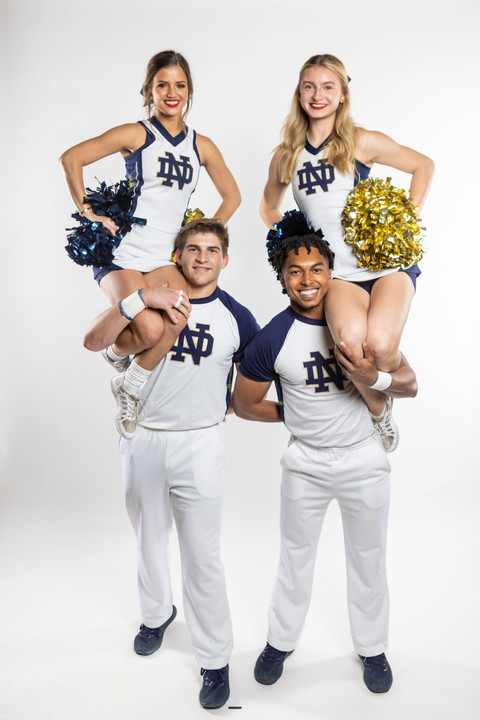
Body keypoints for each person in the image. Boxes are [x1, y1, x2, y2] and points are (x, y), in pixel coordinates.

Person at [84, 218, 258, 709]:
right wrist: (136, 300)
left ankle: (215, 659)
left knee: (203, 555)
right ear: (177, 256)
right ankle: (157, 614)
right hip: (143, 438)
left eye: (213, 249)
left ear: (226, 259)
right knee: (148, 537)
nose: (203, 257)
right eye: (193, 249)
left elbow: (256, 372)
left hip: (200, 444)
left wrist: (233, 398)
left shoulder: (237, 316)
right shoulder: (151, 304)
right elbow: (95, 340)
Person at [233, 232, 417, 693]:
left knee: (368, 558)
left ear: (332, 273)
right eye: (295, 271)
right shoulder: (272, 336)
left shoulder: (355, 324)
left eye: (317, 269)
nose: (307, 279)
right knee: (294, 558)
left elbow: (410, 382)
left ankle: (372, 649)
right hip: (305, 464)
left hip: (362, 457)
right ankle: (280, 642)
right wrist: (291, 414)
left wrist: (373, 379)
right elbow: (244, 402)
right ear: (281, 279)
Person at [260, 53, 433, 442]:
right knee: (352, 350)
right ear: (299, 93)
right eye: (309, 86)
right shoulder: (287, 154)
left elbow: (424, 165)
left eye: (327, 87)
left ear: (342, 95)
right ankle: (379, 410)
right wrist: (295, 240)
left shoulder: (361, 140)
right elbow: (267, 206)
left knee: (382, 349)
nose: (317, 95)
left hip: (386, 266)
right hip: (340, 276)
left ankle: (399, 383)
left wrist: (404, 221)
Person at [61, 50, 241, 425]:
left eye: (180, 85)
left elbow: (233, 196)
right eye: (162, 85)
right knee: (149, 328)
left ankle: (128, 384)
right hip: (124, 249)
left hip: (165, 254)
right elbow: (72, 158)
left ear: (190, 90)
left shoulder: (201, 145)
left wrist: (203, 235)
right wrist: (87, 211)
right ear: (149, 90)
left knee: (178, 316)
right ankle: (114, 353)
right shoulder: (136, 133)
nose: (171, 92)